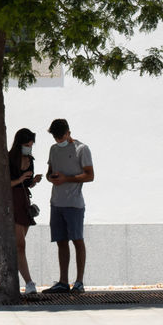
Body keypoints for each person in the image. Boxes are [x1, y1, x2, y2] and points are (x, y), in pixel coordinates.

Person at [42, 118, 94, 294]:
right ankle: (63, 281)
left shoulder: (82, 149)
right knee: (61, 242)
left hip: (74, 204)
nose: (58, 140)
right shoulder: (53, 150)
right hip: (56, 202)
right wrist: (51, 178)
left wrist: (67, 179)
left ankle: (79, 282)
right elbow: (49, 172)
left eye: (61, 136)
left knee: (77, 240)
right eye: (55, 137)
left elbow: (90, 175)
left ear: (68, 132)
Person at [8, 127, 42, 295]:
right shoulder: (9, 158)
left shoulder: (30, 159)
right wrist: (19, 179)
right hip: (12, 201)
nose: (30, 148)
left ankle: (19, 277)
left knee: (19, 246)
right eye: (28, 144)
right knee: (20, 245)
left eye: (31, 145)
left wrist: (33, 181)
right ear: (20, 143)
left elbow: (26, 184)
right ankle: (29, 282)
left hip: (24, 201)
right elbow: (3, 182)